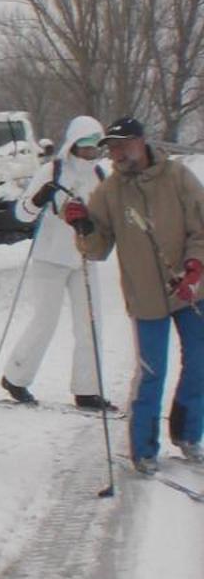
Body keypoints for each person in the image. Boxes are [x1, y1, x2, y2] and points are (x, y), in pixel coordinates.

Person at [64, 116, 204, 474]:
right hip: (145, 297)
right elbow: (96, 249)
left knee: (200, 364)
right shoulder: (110, 191)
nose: (116, 153)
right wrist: (82, 224)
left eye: (122, 145)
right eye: (111, 148)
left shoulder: (177, 177)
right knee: (151, 371)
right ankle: (143, 448)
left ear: (141, 142)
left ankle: (188, 433)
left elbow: (200, 229)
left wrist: (195, 268)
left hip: (190, 291)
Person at [0, 116, 115, 409]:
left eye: (95, 146)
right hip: (50, 257)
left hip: (84, 256)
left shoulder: (100, 176)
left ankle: (87, 388)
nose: (90, 151)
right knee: (45, 320)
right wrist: (39, 199)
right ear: (73, 144)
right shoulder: (53, 170)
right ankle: (16, 376)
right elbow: (22, 214)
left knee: (90, 322)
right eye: (85, 145)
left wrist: (93, 225)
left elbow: (107, 218)